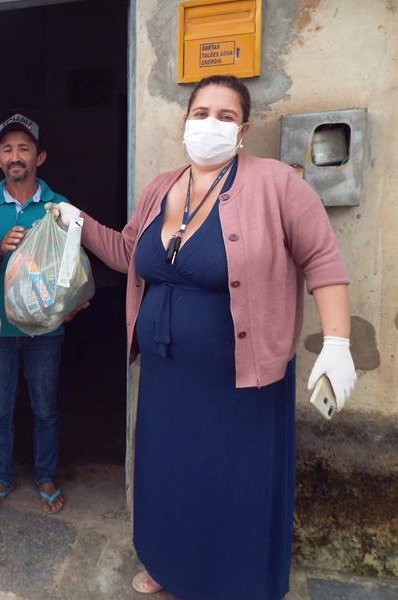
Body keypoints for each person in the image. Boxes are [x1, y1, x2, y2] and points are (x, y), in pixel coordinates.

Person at [56, 75, 357, 599]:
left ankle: (232, 583)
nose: (210, 124)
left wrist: (337, 344)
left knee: (231, 480)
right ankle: (168, 565)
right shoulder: (160, 188)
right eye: (200, 113)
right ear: (184, 122)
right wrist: (75, 220)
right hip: (168, 375)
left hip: (241, 376)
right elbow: (131, 255)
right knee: (169, 474)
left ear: (242, 129)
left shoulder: (276, 184)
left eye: (224, 115)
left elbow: (322, 260)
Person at [0, 114, 71, 515]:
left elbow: (70, 267)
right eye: (8, 149)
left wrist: (72, 303)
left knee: (45, 407)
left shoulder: (57, 206)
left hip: (44, 327)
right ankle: (1, 477)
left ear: (39, 157)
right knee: (0, 410)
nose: (16, 156)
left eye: (24, 148)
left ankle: (46, 476)